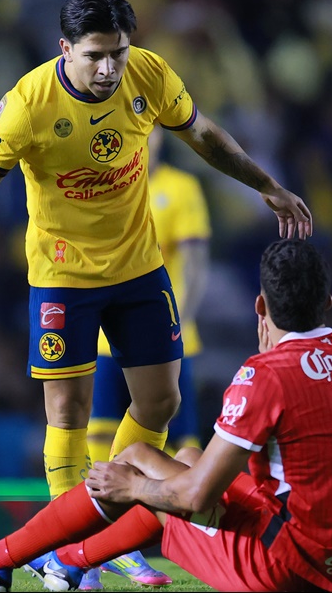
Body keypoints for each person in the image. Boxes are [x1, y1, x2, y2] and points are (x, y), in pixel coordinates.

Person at [0, 0, 312, 506]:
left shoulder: (149, 73)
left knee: (161, 401)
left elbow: (204, 135)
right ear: (65, 49)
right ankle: (71, 539)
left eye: (118, 53)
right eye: (94, 56)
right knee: (67, 413)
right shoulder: (28, 105)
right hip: (64, 275)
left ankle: (106, 512)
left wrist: (266, 185)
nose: (108, 69)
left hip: (138, 266)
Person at [0, 239, 332, 593]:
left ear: (260, 305)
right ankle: (69, 561)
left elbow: (195, 496)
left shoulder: (266, 374)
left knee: (150, 478)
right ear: (327, 303)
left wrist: (133, 489)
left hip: (292, 572)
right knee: (183, 456)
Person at [83, 126, 211, 589]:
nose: (147, 141)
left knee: (180, 444)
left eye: (153, 134)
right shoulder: (100, 186)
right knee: (98, 441)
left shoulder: (181, 188)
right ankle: (101, 543)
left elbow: (195, 265)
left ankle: (183, 541)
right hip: (105, 343)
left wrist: (178, 328)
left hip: (169, 343)